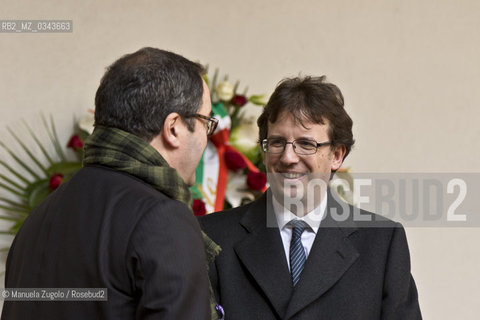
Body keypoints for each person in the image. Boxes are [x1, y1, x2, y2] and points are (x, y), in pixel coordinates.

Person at [2, 47, 222, 319]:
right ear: (174, 127)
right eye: (206, 122)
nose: (207, 136)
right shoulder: (161, 217)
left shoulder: (41, 216)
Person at [200, 76, 422, 319]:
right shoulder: (211, 237)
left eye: (306, 144)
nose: (288, 157)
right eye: (277, 142)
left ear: (337, 155)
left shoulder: (382, 242)